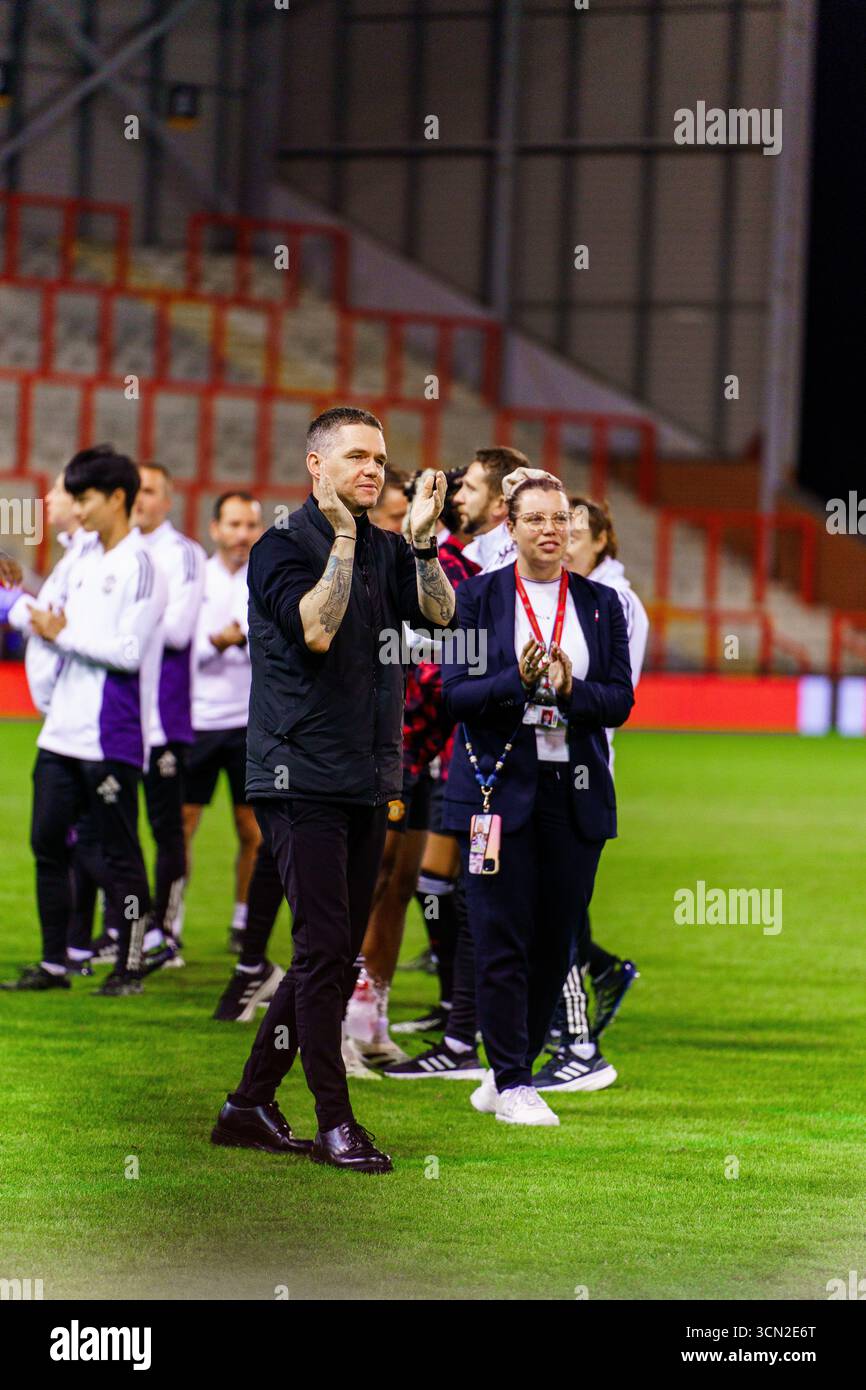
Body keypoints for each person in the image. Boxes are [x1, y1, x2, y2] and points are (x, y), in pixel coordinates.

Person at [210, 405, 456, 1173]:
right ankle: (334, 1123)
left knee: (332, 950)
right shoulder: (280, 547)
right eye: (355, 456)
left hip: (365, 776)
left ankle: (248, 1104)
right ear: (316, 465)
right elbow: (316, 628)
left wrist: (419, 544)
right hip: (295, 776)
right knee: (323, 947)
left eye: (379, 457)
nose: (373, 470)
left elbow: (442, 616)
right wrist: (347, 540)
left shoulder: (389, 547)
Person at [439, 475, 634, 1125]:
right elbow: (454, 693)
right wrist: (514, 681)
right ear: (513, 528)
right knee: (498, 933)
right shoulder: (476, 598)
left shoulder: (602, 605)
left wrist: (571, 689)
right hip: (496, 786)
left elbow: (620, 701)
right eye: (537, 520)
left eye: (562, 521)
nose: (552, 530)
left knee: (555, 939)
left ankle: (506, 1069)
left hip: (574, 792)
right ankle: (516, 1080)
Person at [1, 446, 166, 996]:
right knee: (48, 843)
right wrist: (26, 612)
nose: (75, 505)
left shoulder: (142, 565)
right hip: (61, 732)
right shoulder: (80, 559)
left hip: (110, 734)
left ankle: (131, 963)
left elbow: (127, 651)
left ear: (116, 499)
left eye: (83, 496)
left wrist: (57, 632)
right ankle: (54, 963)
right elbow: (44, 617)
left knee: (118, 854)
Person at [533, 496, 649, 1092]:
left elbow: (613, 698)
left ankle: (577, 1042)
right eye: (557, 527)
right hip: (543, 764)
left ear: (602, 540)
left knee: (562, 910)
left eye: (576, 530)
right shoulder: (559, 593)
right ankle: (562, 1021)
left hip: (579, 767)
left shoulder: (614, 602)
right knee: (543, 909)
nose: (565, 539)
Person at [132, 463, 206, 971]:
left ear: (169, 499)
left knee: (167, 829)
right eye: (133, 489)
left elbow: (179, 631)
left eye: (151, 490)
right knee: (111, 830)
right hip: (119, 719)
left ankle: (166, 931)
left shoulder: (182, 553)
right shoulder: (112, 551)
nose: (139, 498)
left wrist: (122, 620)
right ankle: (124, 928)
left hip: (163, 718)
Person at [181, 491, 262, 954]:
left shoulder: (266, 579)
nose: (242, 535)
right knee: (182, 823)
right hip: (197, 721)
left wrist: (245, 640)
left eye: (250, 525)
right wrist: (216, 642)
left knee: (251, 829)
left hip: (250, 724)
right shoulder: (195, 581)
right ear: (215, 529)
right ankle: (168, 923)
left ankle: (243, 921)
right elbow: (174, 649)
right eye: (233, 525)